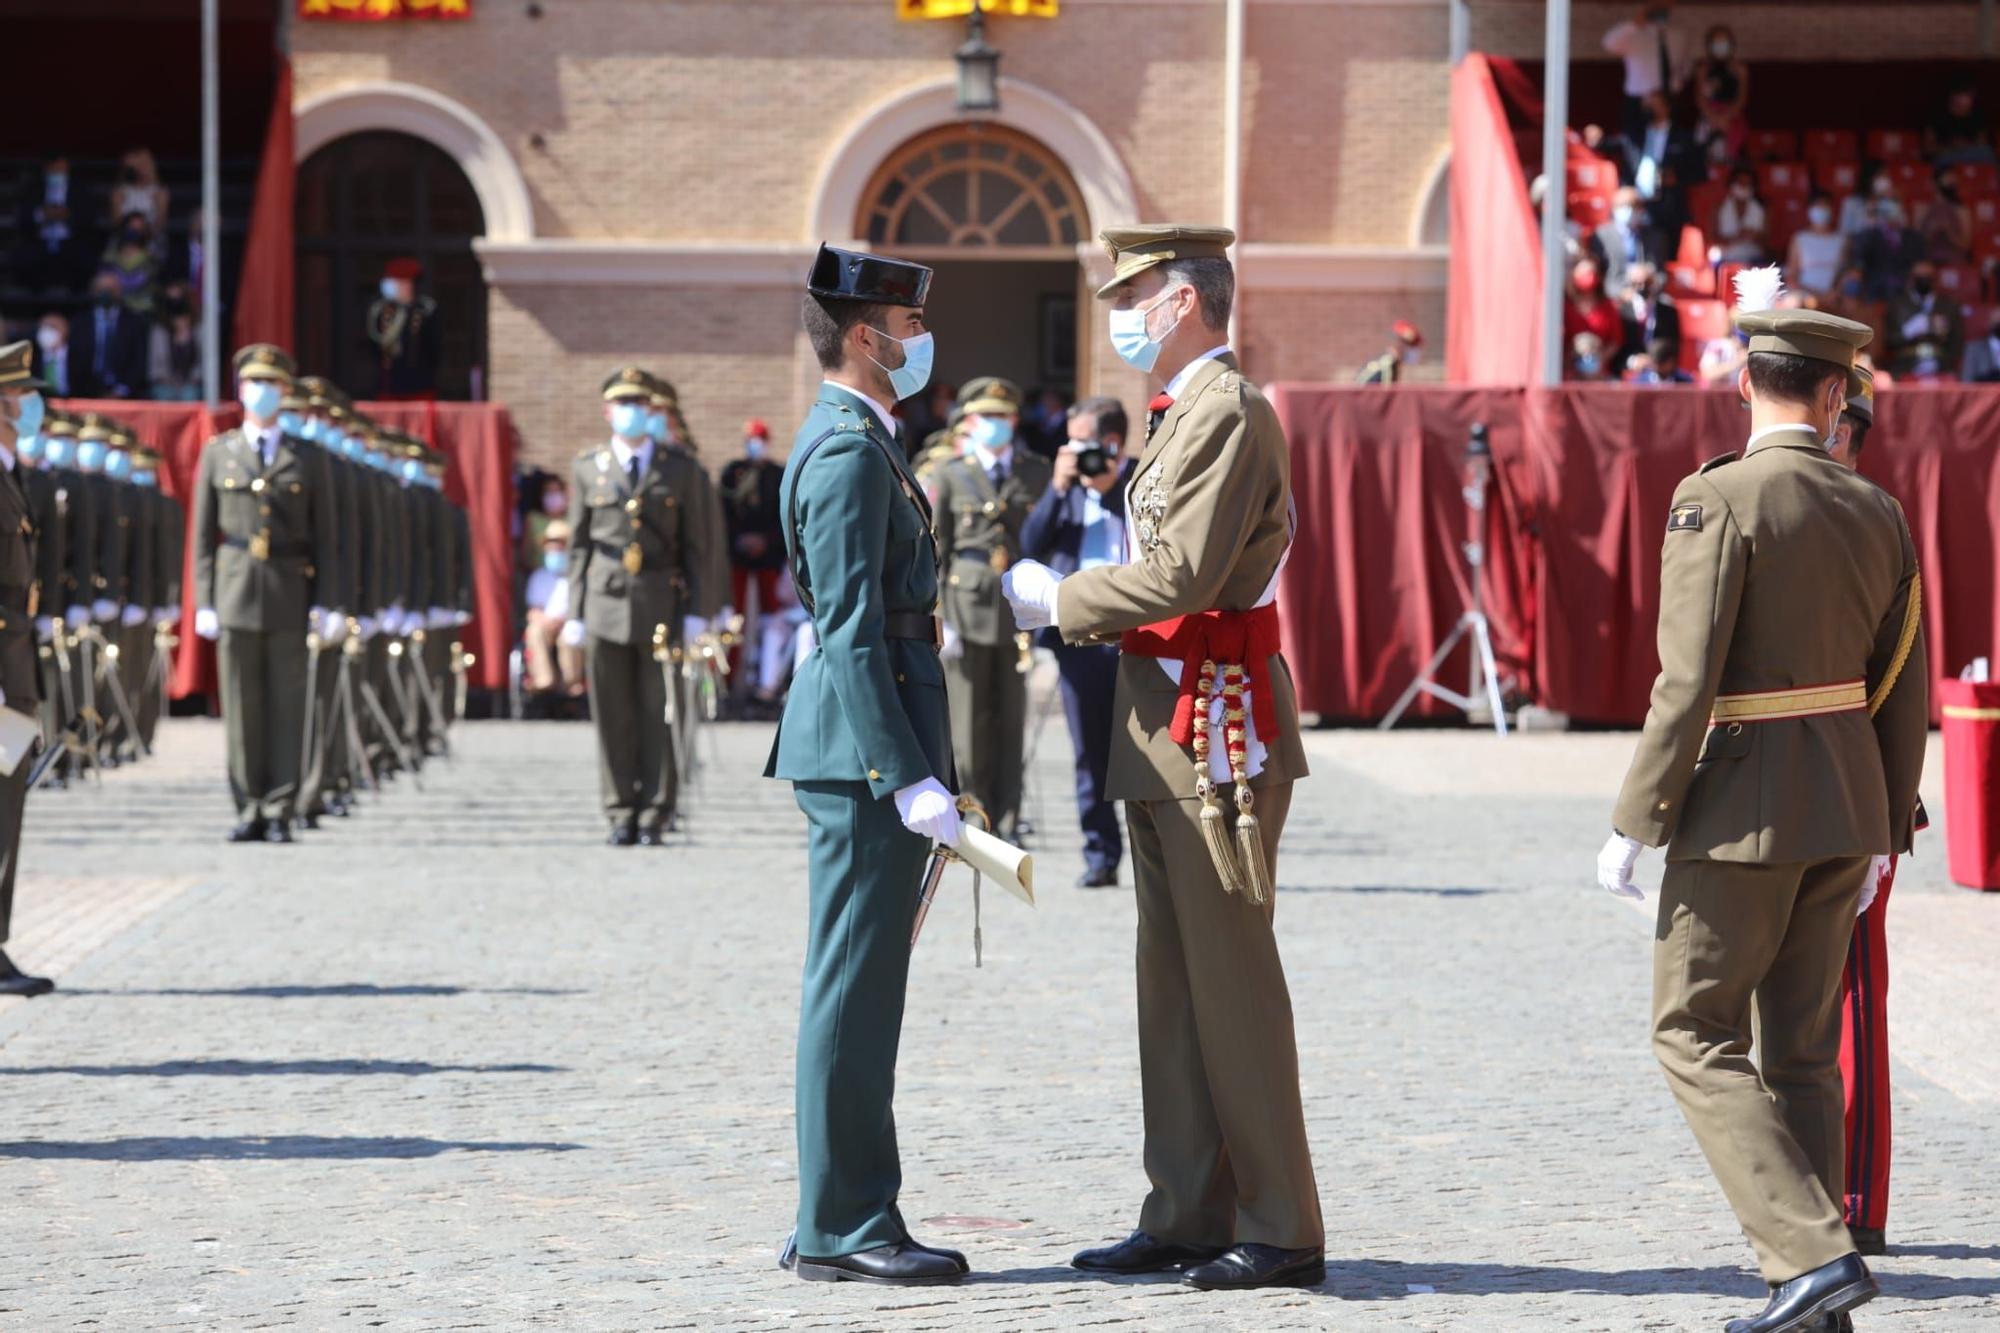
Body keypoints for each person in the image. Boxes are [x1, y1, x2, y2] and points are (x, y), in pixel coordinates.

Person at [1003, 224, 1324, 1292]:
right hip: (1166, 715)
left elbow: (1182, 572)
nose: (1119, 313)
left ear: (1181, 298)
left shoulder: (1225, 412)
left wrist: (1060, 599)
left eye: (1131, 294)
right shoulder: (1185, 412)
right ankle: (1186, 1208)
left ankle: (1279, 1224)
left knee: (1229, 983)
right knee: (1172, 987)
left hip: (1216, 715)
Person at [1599, 305, 1924, 1333]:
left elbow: (1683, 677)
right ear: (1836, 395)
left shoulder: (1717, 499)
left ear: (1743, 382)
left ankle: (1810, 1255)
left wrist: (1636, 814)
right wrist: (1885, 821)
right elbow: (1902, 682)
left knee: (1689, 1027)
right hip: (1844, 801)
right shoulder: (1878, 510)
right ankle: (1815, 1294)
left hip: (1740, 804)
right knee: (1797, 1049)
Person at [765, 243, 966, 1287]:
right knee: (850, 988)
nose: (919, 340)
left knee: (859, 986)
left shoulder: (865, 440)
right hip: (858, 757)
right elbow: (849, 628)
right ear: (861, 336)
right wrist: (906, 773)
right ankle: (843, 1222)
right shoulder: (848, 451)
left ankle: (836, 1209)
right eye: (907, 322)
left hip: (869, 749)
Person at [191, 344, 339, 844]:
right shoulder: (218, 452)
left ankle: (280, 806)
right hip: (235, 590)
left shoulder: (308, 457)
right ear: (240, 391)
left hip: (289, 590)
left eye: (272, 385)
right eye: (254, 384)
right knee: (242, 705)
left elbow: (328, 536)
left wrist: (326, 599)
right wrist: (204, 600)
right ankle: (248, 805)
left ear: (285, 392)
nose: (262, 392)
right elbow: (202, 536)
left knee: (287, 705)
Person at [560, 367, 707, 846]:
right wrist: (575, 610)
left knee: (658, 710)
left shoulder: (677, 468)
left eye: (638, 405)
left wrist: (701, 612)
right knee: (612, 714)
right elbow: (579, 545)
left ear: (651, 411)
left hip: (661, 601)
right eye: (621, 405)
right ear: (607, 412)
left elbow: (697, 546)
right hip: (605, 600)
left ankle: (657, 810)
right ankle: (620, 808)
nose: (630, 413)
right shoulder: (588, 466)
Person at [1826, 369, 1900, 1260]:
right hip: (1774, 788)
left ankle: (1856, 1194)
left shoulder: (1877, 520)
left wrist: (1884, 811)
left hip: (1856, 795)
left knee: (1853, 1000)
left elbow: (1898, 671)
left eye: (1839, 424)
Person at [1020, 395, 1133, 887]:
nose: (1073, 450)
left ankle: (1161, 853)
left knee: (1149, 748)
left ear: (1111, 443)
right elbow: (1029, 543)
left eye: (1081, 442)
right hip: (1080, 635)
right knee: (1090, 750)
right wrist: (1058, 486)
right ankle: (1100, 854)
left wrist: (1107, 488)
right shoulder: (1066, 487)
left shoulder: (1139, 481)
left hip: (1136, 632)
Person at [931, 376, 1050, 841]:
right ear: (970, 422)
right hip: (966, 606)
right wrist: (941, 615)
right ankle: (973, 814)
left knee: (1010, 719)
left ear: (1015, 421)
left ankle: (1008, 817)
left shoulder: (1034, 473)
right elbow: (936, 550)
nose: (995, 425)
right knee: (969, 721)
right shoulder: (950, 472)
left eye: (1002, 417)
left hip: (1020, 611)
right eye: (986, 417)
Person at [0, 342, 54, 998]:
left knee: (7, 806)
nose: (35, 405)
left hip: (13, 666)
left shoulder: (13, 472)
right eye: (25, 395)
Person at [720, 418, 785, 678]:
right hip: (739, 555)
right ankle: (731, 675)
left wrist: (766, 541)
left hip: (769, 556)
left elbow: (782, 514)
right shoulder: (733, 473)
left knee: (772, 619)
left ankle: (765, 680)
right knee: (737, 618)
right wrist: (740, 539)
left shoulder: (777, 474)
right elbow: (724, 512)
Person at [1603, 4, 1691, 146]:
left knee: (1670, 148)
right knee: (1636, 148)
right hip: (1639, 102)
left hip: (1669, 101)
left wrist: (1674, 88)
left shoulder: (1678, 35)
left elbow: (1685, 66)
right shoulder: (1633, 33)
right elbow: (1608, 44)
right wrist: (1634, 24)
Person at [11, 157, 89, 293]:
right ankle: (34, 306)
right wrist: (41, 215)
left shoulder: (79, 189)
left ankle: (74, 308)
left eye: (62, 169)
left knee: (83, 259)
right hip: (38, 241)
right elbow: (22, 219)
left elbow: (88, 219)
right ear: (46, 169)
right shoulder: (34, 189)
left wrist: (67, 216)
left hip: (71, 241)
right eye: (54, 169)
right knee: (24, 259)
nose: (58, 173)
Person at [368, 257, 442, 400]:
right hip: (389, 386)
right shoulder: (382, 310)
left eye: (395, 281)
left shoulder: (426, 310)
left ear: (407, 284)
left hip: (418, 387)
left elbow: (433, 350)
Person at [523, 519, 582, 696]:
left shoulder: (576, 576)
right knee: (534, 632)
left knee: (570, 634)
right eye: (551, 546)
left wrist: (564, 620)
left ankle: (571, 682)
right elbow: (533, 610)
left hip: (568, 621)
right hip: (545, 623)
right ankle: (543, 679)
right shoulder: (538, 576)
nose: (554, 550)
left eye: (559, 545)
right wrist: (544, 620)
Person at [70, 271, 150, 400]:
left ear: (120, 291)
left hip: (126, 392)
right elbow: (75, 362)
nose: (106, 293)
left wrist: (122, 390)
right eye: (101, 288)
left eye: (111, 289)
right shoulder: (80, 322)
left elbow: (139, 362)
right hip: (87, 393)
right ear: (93, 291)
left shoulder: (134, 322)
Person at [1884, 261, 1964, 381]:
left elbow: (1956, 343)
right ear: (1911, 279)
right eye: (1919, 277)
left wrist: (1945, 361)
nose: (1924, 281)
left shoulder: (1949, 306)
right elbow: (1889, 341)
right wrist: (1908, 332)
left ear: (1935, 280)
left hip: (1940, 365)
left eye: (1928, 277)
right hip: (1905, 365)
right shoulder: (1897, 305)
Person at [1692, 23, 1749, 164]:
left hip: (1732, 117)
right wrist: (1713, 118)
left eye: (1724, 42)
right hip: (1708, 115)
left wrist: (1726, 117)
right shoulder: (1703, 68)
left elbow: (1742, 97)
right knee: (1704, 155)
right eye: (1716, 43)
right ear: (1709, 45)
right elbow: (1700, 97)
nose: (1720, 46)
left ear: (1731, 45)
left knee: (1730, 157)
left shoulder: (1740, 69)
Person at [1593, 187, 1666, 296]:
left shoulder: (1654, 237)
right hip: (1614, 296)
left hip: (1646, 295)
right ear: (1614, 208)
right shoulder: (1601, 236)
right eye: (1623, 205)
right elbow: (1599, 273)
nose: (1629, 210)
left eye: (1634, 206)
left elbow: (1660, 273)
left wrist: (1648, 274)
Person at [1851, 193, 1923, 303]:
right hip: (1874, 288)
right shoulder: (1870, 234)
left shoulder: (1912, 236)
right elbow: (1859, 257)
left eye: (1895, 204)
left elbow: (1919, 263)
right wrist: (1871, 224)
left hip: (1904, 287)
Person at [1787, 194, 1849, 302]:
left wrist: (1835, 292)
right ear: (1809, 210)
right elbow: (1792, 275)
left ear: (1832, 210)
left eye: (1825, 206)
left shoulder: (1842, 240)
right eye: (1818, 206)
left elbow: (1846, 272)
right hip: (1806, 294)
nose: (1821, 210)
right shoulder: (1800, 238)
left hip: (1834, 295)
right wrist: (1815, 295)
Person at [148, 281, 202, 401]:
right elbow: (154, 369)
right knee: (165, 394)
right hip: (165, 383)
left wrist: (193, 379)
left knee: (189, 394)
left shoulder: (199, 330)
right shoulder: (159, 331)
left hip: (191, 384)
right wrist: (167, 380)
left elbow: (203, 363)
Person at [1925, 76, 1996, 168]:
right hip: (1947, 156)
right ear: (1953, 96)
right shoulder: (1936, 117)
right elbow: (1928, 148)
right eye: (1964, 95)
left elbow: (1982, 144)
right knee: (1941, 161)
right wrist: (1950, 148)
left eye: (1970, 96)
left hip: (1973, 157)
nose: (1967, 100)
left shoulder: (1978, 117)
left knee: (1987, 153)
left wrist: (1966, 146)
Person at [1565, 257, 1624, 357]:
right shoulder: (1566, 307)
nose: (1588, 277)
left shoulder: (1607, 306)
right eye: (1583, 274)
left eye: (1591, 273)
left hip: (1600, 366)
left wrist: (1601, 359)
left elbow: (1616, 340)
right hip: (1569, 365)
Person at [1918, 167, 1972, 266]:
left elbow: (1966, 246)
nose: (1950, 184)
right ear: (1934, 183)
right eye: (1947, 180)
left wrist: (1949, 232)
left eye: (1952, 181)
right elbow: (1916, 245)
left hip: (1955, 261)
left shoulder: (1962, 210)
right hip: (1928, 262)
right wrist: (1932, 231)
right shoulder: (1921, 208)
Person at [1715, 167, 1769, 265]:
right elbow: (1712, 240)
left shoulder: (1761, 210)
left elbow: (1767, 242)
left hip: (1754, 261)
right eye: (1741, 183)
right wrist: (1736, 237)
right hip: (1725, 260)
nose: (1744, 187)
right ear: (1732, 185)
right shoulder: (1719, 208)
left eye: (1748, 184)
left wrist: (1754, 237)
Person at [1357, 321, 1423, 384]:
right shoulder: (1388, 364)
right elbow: (1386, 391)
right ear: (1399, 344)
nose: (1412, 350)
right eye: (1409, 345)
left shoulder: (1388, 361)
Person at [31, 314, 74, 398]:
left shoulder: (79, 357)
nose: (47, 332)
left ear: (65, 329)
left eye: (52, 327)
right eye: (43, 327)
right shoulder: (31, 358)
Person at [1960, 309, 2000, 382]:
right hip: (1985, 391)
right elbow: (1966, 381)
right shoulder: (1973, 348)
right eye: (1996, 322)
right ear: (1989, 324)